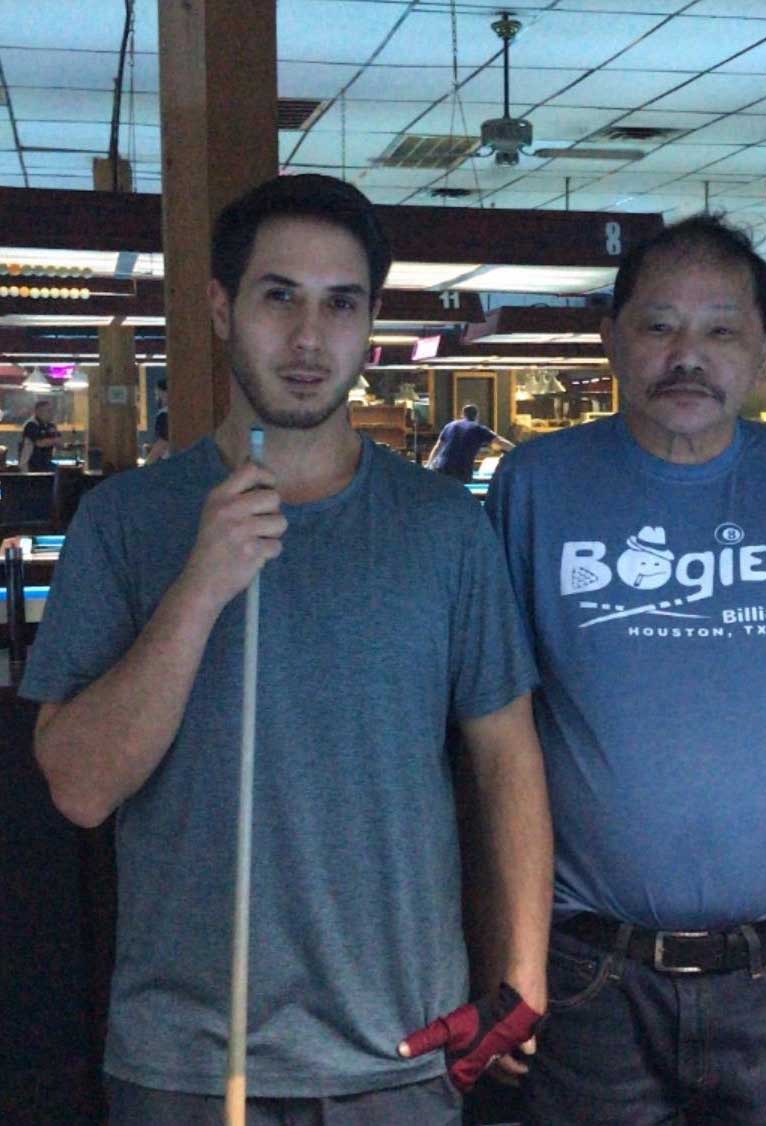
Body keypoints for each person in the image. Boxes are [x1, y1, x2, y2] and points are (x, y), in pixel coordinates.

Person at [22, 174, 552, 1125]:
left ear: (369, 324)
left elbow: (506, 755)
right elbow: (79, 788)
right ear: (223, 308)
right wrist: (201, 586)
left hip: (399, 1057)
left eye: (340, 303)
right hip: (186, 1064)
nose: (309, 338)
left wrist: (523, 974)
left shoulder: (442, 527)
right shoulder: (126, 522)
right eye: (279, 297)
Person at [485, 214, 766, 1124]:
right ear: (611, 339)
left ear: (765, 349)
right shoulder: (533, 486)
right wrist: (505, 946)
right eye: (659, 325)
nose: (688, 355)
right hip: (586, 970)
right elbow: (495, 734)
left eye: (721, 329)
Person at [427, 403, 514, 483]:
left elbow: (437, 447)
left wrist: (429, 464)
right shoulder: (479, 429)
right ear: (477, 416)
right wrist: (517, 450)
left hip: (441, 468)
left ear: (462, 415)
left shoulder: (450, 426)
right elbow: (500, 442)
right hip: (461, 471)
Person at [19, 399, 61, 471]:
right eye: (48, 411)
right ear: (38, 412)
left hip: (46, 462)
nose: (51, 413)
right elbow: (39, 443)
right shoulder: (31, 424)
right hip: (30, 464)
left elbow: (59, 441)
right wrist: (54, 441)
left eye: (52, 411)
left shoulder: (51, 425)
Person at [143, 377, 170, 464]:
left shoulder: (164, 415)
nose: (157, 398)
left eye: (157, 394)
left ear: (164, 393)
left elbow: (162, 443)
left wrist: (147, 464)